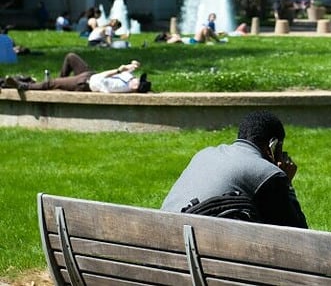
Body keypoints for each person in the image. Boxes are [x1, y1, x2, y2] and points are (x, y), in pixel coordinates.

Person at [161, 110, 308, 228]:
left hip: (163, 240)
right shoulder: (266, 172)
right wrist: (287, 183)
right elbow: (298, 233)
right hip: (205, 258)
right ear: (274, 145)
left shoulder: (204, 153)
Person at [3, 52, 151, 93]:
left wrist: (119, 69)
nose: (136, 78)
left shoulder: (120, 88)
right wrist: (133, 65)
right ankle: (59, 85)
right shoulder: (130, 80)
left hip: (85, 83)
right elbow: (131, 70)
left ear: (135, 87)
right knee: (71, 57)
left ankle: (23, 86)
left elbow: (101, 78)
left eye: (139, 81)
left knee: (52, 83)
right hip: (89, 74)